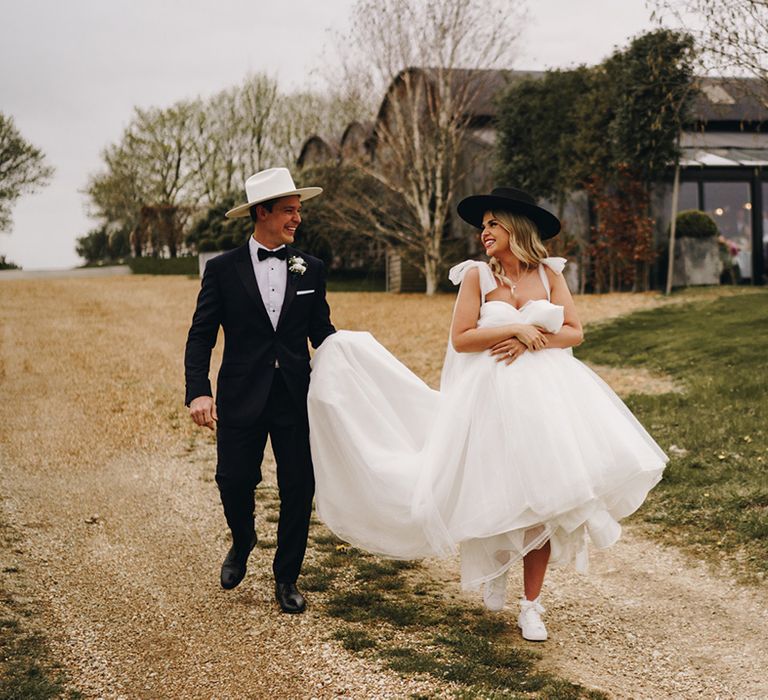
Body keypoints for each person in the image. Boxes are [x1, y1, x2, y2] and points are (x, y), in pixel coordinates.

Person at [307, 187, 667, 641]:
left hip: (548, 400)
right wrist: (513, 325)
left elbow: (574, 332)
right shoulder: (477, 276)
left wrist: (528, 335)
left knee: (545, 499)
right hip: (490, 399)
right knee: (494, 488)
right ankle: (497, 568)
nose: (484, 233)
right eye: (482, 227)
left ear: (516, 227)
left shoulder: (550, 275)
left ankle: (531, 605)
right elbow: (461, 338)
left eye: (493, 224)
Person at [184, 167, 335, 614]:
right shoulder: (222, 270)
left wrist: (353, 363)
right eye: (289, 211)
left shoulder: (312, 268)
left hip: (294, 394)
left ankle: (286, 577)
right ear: (262, 212)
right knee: (233, 479)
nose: (297, 220)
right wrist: (199, 391)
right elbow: (201, 335)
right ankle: (243, 537)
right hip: (240, 392)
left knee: (298, 486)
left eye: (298, 211)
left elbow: (322, 332)